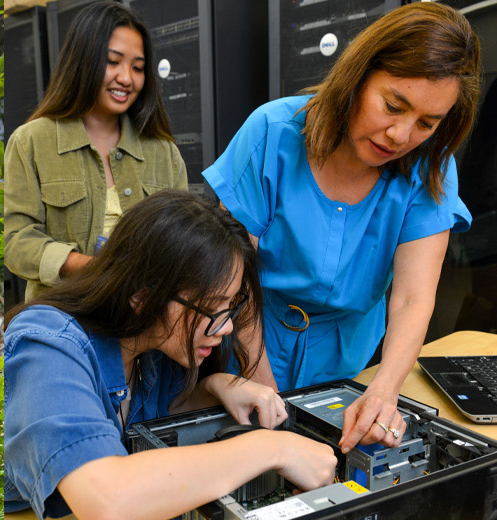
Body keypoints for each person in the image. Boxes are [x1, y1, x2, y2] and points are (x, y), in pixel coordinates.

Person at [205, 2, 479, 451]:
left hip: (353, 361)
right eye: (393, 105)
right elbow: (233, 282)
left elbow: (413, 297)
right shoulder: (271, 133)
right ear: (359, 74)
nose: (400, 135)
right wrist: (264, 394)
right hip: (249, 342)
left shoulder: (431, 167)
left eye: (426, 123)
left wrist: (384, 392)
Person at [5, 190, 334, 519]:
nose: (227, 328)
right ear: (141, 295)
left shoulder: (151, 346)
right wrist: (272, 448)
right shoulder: (45, 346)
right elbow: (106, 499)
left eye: (230, 307)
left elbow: (154, 417)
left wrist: (213, 387)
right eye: (211, 307)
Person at [3, 2, 187, 302]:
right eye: (113, 62)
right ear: (82, 61)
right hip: (63, 324)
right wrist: (99, 270)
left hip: (144, 328)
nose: (127, 78)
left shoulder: (164, 152)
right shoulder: (32, 142)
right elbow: (18, 243)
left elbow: (181, 242)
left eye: (138, 67)